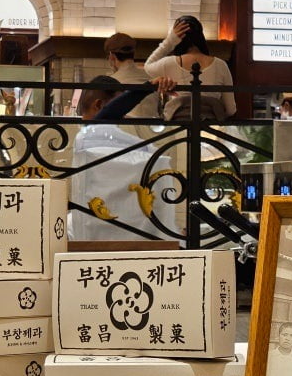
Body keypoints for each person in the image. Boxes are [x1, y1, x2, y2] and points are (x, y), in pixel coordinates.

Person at [69, 75, 179, 241]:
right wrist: (147, 87)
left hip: (96, 230)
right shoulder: (91, 135)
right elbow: (106, 116)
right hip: (127, 233)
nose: (123, 116)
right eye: (121, 111)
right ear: (99, 105)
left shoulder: (89, 137)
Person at [144, 16, 236, 120]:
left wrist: (170, 40)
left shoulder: (169, 63)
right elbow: (231, 109)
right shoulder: (221, 65)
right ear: (201, 36)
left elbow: (148, 66)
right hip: (210, 125)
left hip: (177, 125)